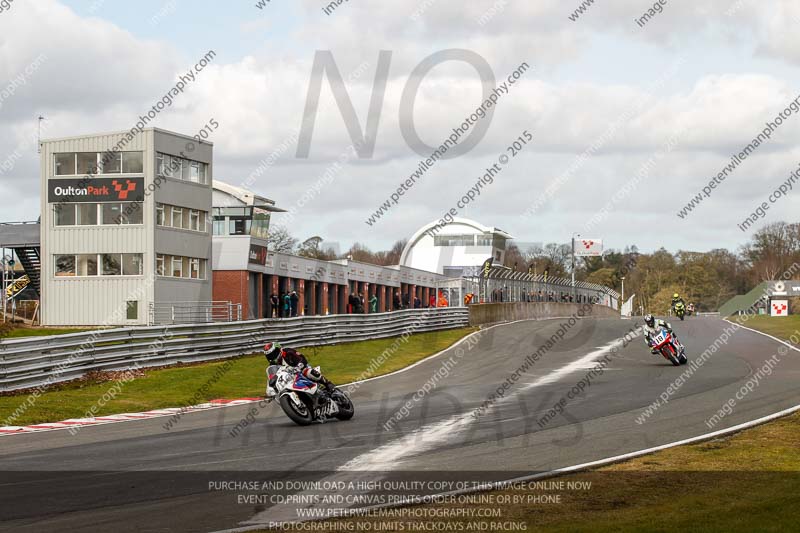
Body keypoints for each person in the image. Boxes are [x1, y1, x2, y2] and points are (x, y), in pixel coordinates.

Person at [264, 342, 334, 393]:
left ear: (279, 350)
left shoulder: (288, 352)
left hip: (300, 370)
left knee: (307, 371)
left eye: (273, 354)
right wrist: (270, 387)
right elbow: (273, 377)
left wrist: (298, 367)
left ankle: (327, 383)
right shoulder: (272, 365)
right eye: (269, 356)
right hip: (290, 379)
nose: (272, 357)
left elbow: (302, 358)